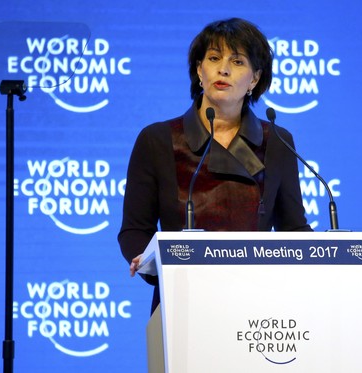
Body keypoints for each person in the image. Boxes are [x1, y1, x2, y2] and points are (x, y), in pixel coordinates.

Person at [118, 18, 311, 312]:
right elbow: (134, 230)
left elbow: (293, 229)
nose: (223, 69)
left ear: (255, 79)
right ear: (199, 70)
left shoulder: (277, 142)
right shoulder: (157, 140)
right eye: (213, 58)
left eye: (237, 61)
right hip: (181, 303)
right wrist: (150, 263)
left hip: (257, 305)